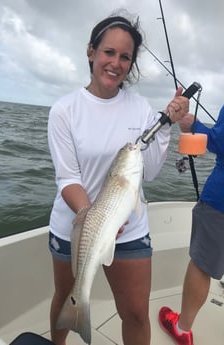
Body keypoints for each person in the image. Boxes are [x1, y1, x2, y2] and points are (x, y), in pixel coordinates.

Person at [47, 11, 189, 345]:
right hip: (74, 225)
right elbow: (67, 178)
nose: (116, 62)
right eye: (109, 52)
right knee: (65, 296)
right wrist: (91, 217)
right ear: (91, 51)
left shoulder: (140, 109)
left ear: (131, 64)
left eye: (125, 57)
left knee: (137, 313)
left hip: (130, 231)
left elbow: (150, 171)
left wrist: (166, 125)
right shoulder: (64, 110)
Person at [158, 106, 224, 345]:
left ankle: (182, 328)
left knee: (202, 265)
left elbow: (221, 142)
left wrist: (193, 126)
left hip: (220, 203)